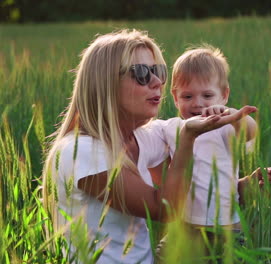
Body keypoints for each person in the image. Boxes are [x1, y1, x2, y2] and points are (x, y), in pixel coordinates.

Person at [41, 29, 257, 264]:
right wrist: (187, 138)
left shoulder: (140, 138)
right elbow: (164, 209)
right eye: (142, 73)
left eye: (159, 72)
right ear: (106, 82)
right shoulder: (80, 151)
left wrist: (240, 188)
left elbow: (185, 187)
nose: (157, 82)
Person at [154, 44, 258, 261]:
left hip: (227, 228)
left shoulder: (225, 128)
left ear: (224, 94)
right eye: (187, 96)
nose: (198, 103)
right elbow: (140, 134)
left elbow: (250, 131)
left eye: (207, 95)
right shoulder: (171, 128)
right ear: (175, 97)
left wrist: (230, 115)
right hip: (185, 227)